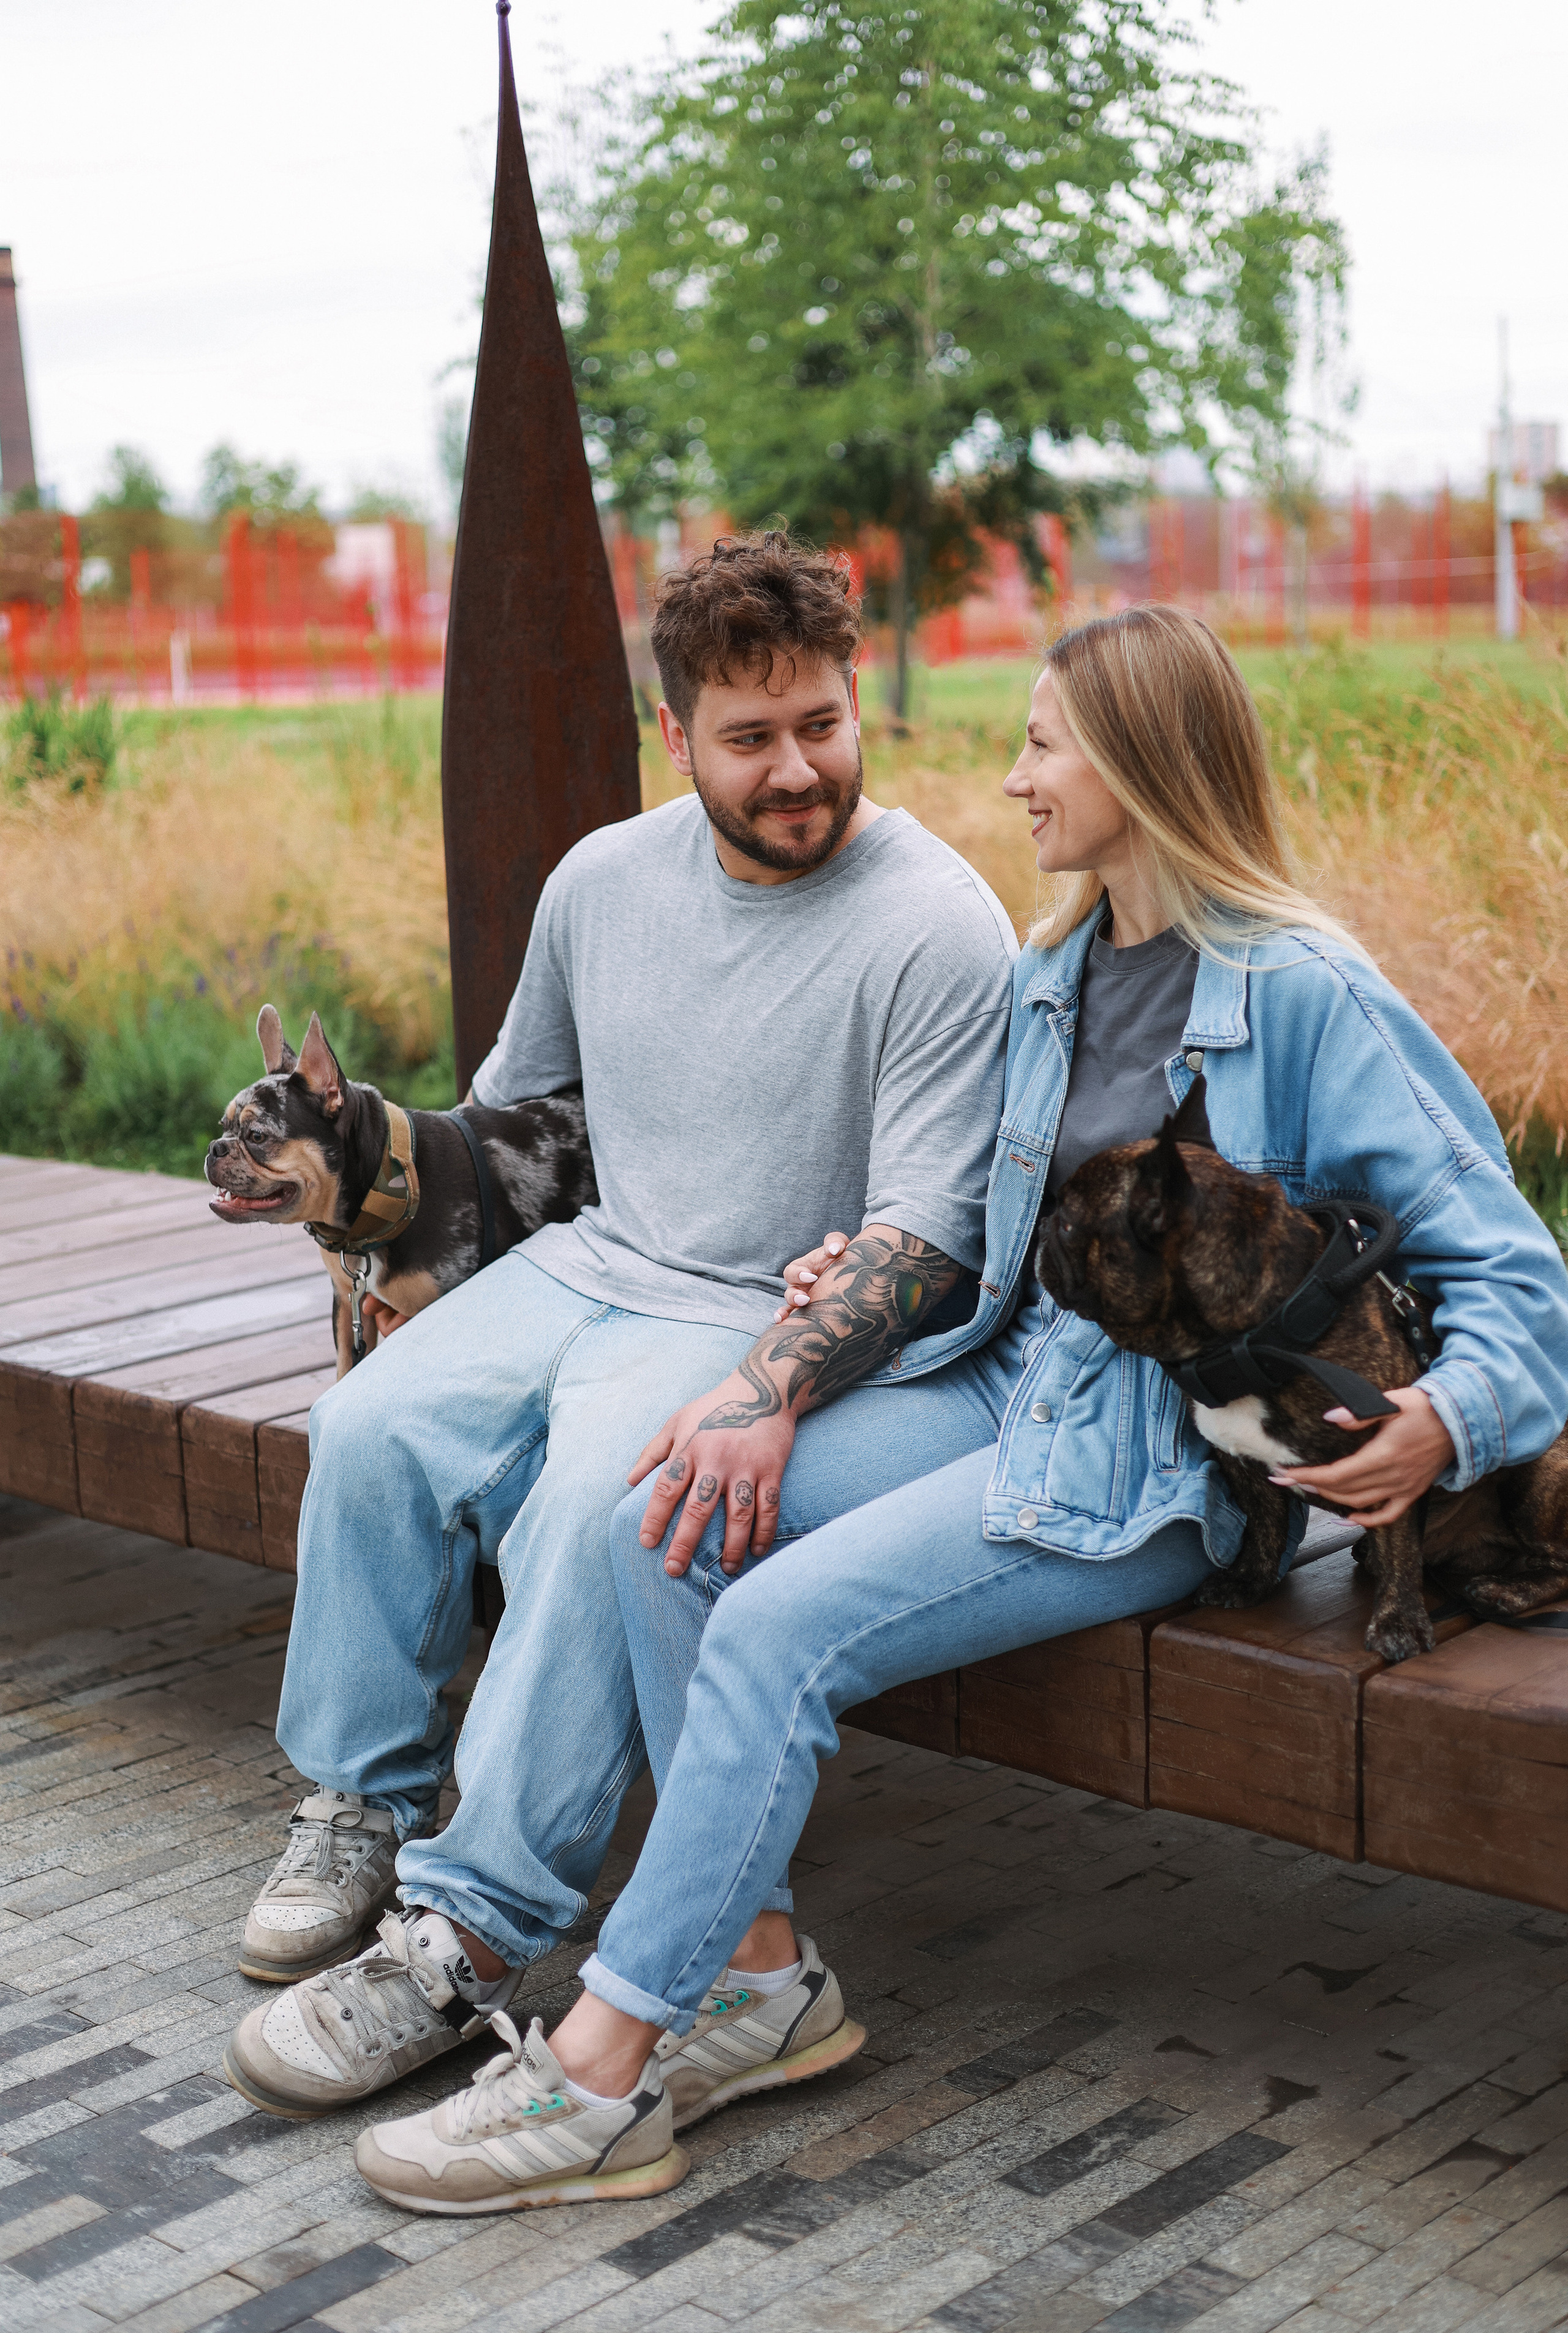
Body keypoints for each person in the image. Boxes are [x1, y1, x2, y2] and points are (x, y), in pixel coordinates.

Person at [343, 605, 1568, 2214]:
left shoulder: (1305, 994)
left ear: (1138, 763)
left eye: (1047, 742)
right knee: (672, 1510)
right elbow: (1017, 1238)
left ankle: (598, 2072)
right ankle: (759, 1981)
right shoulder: (1056, 972)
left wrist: (1447, 1421)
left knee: (776, 1631)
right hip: (995, 1385)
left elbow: (1519, 1273)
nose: (1014, 779)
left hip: (1148, 1482)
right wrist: (873, 1263)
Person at [222, 533, 1017, 2119]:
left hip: (747, 1304)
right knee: (370, 1425)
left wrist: (773, 1386)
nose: (797, 770)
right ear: (679, 735)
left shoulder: (938, 921)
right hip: (598, 1260)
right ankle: (359, 1800)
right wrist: (365, 1154)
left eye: (822, 726)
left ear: (857, 703)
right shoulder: (602, 881)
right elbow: (529, 1135)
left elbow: (934, 1235)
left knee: (607, 1500)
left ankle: (474, 1922)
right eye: (751, 738)